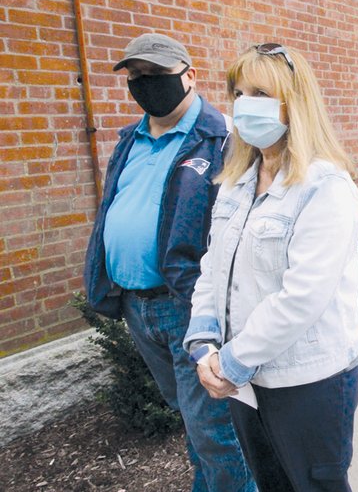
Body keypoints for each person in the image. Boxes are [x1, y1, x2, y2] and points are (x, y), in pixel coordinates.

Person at [184, 43, 358, 491]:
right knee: (271, 483)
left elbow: (301, 296)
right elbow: (213, 266)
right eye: (239, 92)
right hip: (246, 379)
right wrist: (204, 339)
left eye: (260, 92)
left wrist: (230, 362)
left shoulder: (326, 188)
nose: (245, 104)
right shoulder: (236, 183)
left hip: (307, 380)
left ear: (294, 103)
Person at [84, 33, 255, 492]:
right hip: (136, 307)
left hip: (186, 307)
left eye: (156, 75)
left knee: (214, 428)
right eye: (136, 77)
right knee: (190, 416)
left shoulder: (223, 139)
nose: (145, 85)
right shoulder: (130, 140)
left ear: (189, 75)